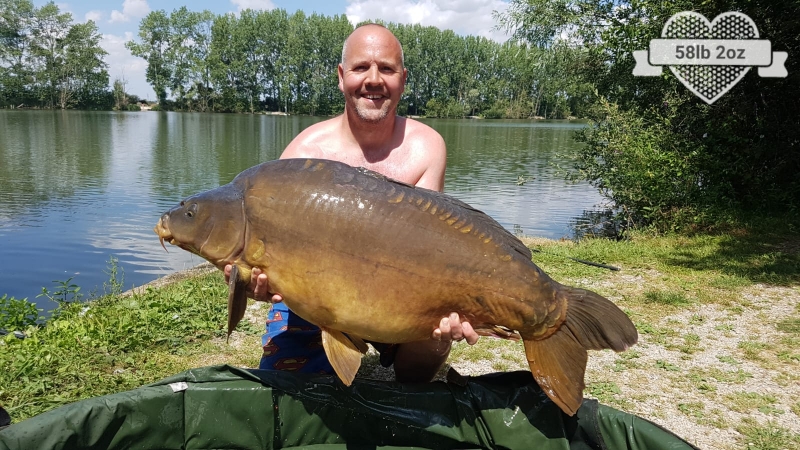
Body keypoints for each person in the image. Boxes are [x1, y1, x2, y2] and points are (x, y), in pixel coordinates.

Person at [225, 23, 479, 382]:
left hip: (395, 292)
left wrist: (448, 304)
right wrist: (258, 284)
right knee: (288, 385)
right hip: (312, 301)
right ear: (342, 77)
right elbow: (266, 257)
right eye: (361, 68)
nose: (373, 80)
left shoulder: (426, 147)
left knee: (420, 367)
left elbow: (428, 246)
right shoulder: (303, 154)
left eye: (386, 69)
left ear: (403, 80)